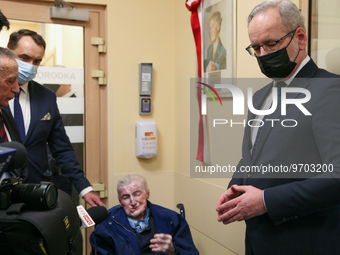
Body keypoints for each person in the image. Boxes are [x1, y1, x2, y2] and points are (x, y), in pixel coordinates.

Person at [216, 1, 340, 254]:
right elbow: (251, 156)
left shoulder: (329, 90)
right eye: (256, 48)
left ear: (300, 38)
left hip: (304, 242)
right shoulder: (261, 96)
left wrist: (265, 201)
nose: (263, 55)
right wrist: (234, 189)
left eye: (271, 44)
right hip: (257, 241)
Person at [5, 29, 104, 207]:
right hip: (4, 192)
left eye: (37, 61)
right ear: (8, 52)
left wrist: (84, 188)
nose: (30, 65)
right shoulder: (2, 95)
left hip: (39, 190)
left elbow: (62, 148)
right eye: (25, 58)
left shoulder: (46, 97)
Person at [90, 174, 199, 255]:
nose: (133, 202)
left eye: (137, 194)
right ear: (120, 201)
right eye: (126, 197)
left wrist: (173, 251)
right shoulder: (106, 226)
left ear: (147, 194)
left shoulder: (172, 219)